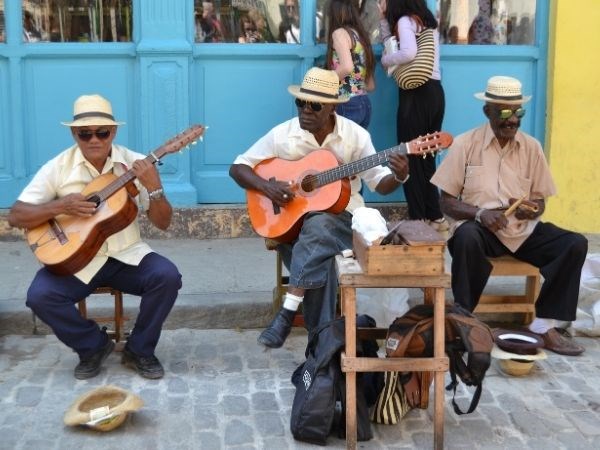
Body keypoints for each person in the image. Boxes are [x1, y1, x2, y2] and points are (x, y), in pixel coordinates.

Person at [229, 67, 409, 348]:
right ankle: (322, 347)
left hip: (343, 222)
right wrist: (268, 188)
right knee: (320, 260)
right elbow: (238, 167)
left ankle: (291, 317)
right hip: (292, 228)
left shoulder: (355, 136)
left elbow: (379, 183)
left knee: (321, 224)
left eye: (314, 106)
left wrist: (398, 176)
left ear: (332, 108)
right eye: (301, 103)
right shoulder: (283, 134)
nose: (305, 111)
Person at [7, 94, 182, 379]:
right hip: (77, 261)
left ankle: (139, 350)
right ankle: (93, 346)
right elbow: (16, 215)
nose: (94, 140)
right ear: (74, 133)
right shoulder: (58, 167)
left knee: (167, 277)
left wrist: (155, 186)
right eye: (84, 133)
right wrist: (61, 205)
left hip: (127, 255)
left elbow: (164, 223)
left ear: (113, 132)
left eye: (102, 132)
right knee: (39, 296)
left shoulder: (136, 164)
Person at [430, 76, 588, 356]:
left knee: (574, 243)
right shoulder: (465, 144)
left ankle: (543, 326)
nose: (512, 120)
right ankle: (465, 321)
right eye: (504, 112)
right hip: (481, 230)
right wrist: (480, 214)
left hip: (521, 231)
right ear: (487, 111)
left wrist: (533, 209)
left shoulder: (532, 148)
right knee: (465, 236)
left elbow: (540, 200)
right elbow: (446, 202)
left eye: (518, 113)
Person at [378, 0, 448, 233]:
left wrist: (385, 60)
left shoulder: (405, 21)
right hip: (435, 93)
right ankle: (435, 216)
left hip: (415, 95)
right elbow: (393, 42)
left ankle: (418, 219)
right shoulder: (427, 23)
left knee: (410, 156)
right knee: (427, 156)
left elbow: (407, 52)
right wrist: (383, 18)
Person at [325, 0, 376, 129]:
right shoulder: (361, 36)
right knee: (357, 149)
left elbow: (347, 67)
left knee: (341, 148)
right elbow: (370, 86)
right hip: (364, 102)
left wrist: (323, 82)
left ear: (334, 14)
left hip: (346, 101)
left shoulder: (340, 33)